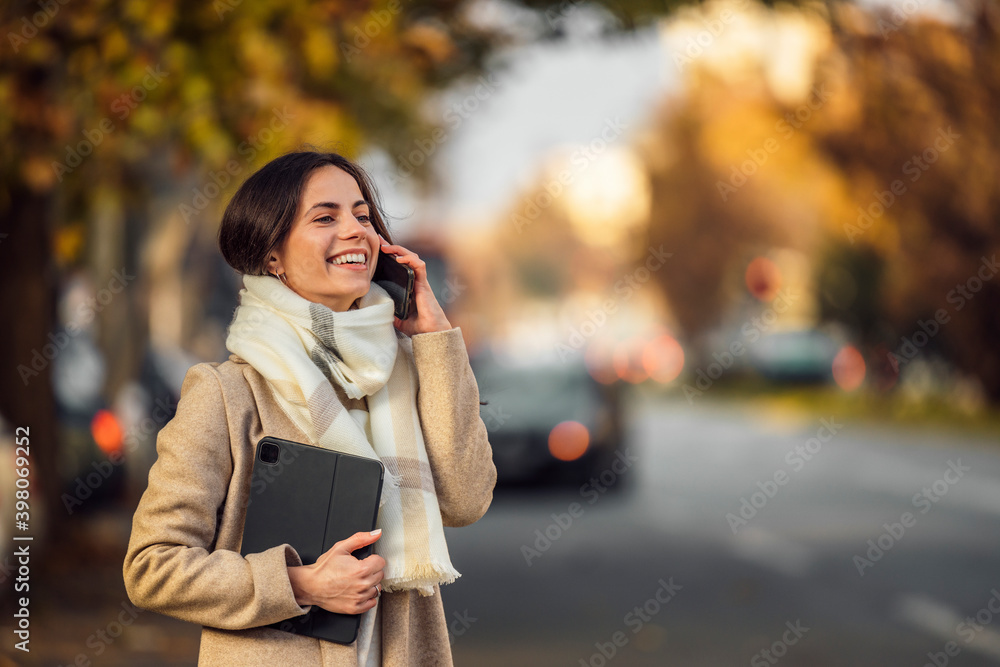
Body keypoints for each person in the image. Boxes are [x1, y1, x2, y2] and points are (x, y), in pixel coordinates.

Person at [123, 150, 497, 666]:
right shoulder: (228, 393)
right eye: (325, 217)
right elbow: (152, 566)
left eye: (363, 216)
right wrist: (301, 584)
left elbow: (467, 500)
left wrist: (435, 338)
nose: (355, 231)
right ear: (272, 257)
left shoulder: (412, 373)